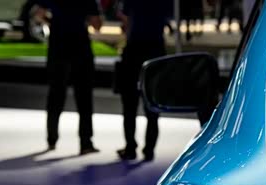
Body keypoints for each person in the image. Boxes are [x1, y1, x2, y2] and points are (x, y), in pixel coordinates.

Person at [37, 0, 103, 155]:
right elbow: (97, 24)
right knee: (84, 96)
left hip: (58, 47)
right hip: (80, 47)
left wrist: (53, 21)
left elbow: (39, 14)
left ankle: (52, 138)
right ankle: (85, 142)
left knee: (55, 94)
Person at [116, 0, 172, 162]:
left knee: (129, 103)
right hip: (155, 50)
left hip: (134, 49)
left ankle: (130, 147)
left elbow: (125, 18)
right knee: (152, 105)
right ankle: (149, 149)